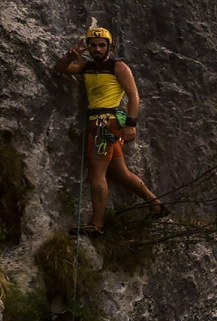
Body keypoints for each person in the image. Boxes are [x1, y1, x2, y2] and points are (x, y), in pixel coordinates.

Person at [53, 26, 167, 236]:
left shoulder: (118, 66)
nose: (97, 49)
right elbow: (60, 69)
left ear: (109, 47)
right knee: (120, 173)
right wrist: (70, 56)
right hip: (104, 123)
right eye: (93, 45)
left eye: (101, 45)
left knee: (97, 174)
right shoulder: (86, 66)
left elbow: (134, 96)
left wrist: (131, 124)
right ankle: (156, 204)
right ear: (88, 47)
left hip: (104, 123)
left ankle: (97, 225)